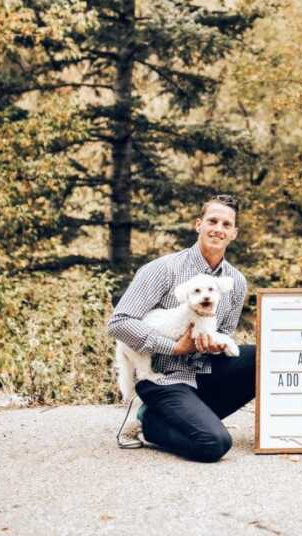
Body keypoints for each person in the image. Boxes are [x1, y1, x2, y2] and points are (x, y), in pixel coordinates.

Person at [108, 194, 252, 462]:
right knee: (214, 444)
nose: (218, 229)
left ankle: (190, 417)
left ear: (234, 233)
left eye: (226, 224)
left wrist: (216, 346)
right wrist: (173, 347)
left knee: (260, 357)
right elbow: (119, 322)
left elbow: (227, 331)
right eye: (212, 221)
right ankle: (150, 425)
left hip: (203, 372)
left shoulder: (236, 281)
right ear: (198, 224)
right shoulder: (164, 269)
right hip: (162, 377)